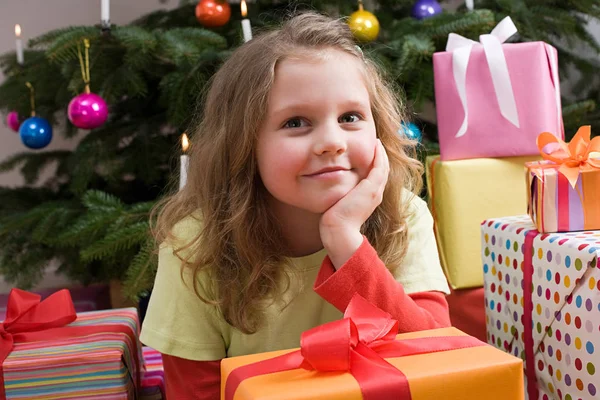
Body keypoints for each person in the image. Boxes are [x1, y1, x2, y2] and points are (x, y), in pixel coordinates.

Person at [140, 11, 451, 399]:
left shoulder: (404, 216)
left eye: (350, 117)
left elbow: (438, 364)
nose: (331, 141)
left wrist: (344, 240)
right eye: (296, 122)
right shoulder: (193, 244)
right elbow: (197, 391)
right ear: (243, 146)